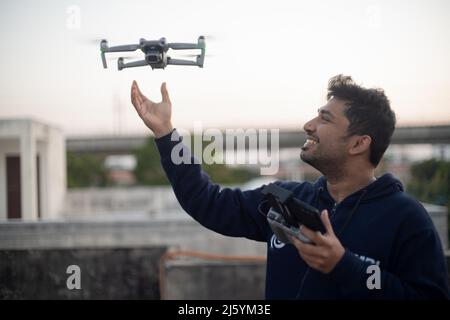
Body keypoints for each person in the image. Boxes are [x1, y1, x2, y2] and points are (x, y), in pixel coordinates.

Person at [130, 75, 450, 299]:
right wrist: (166, 133)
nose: (309, 125)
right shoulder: (289, 199)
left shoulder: (407, 217)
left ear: (358, 143)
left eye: (325, 118)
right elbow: (206, 201)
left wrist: (345, 266)